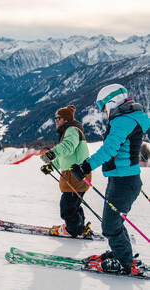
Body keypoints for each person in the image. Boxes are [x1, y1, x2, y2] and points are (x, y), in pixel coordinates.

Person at [71, 84, 150, 275]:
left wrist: (86, 166)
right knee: (113, 222)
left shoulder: (123, 121)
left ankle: (123, 263)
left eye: (103, 106)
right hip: (122, 180)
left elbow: (109, 149)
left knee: (110, 225)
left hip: (124, 182)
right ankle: (121, 253)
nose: (103, 111)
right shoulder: (128, 118)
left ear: (112, 102)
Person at [40, 105, 92, 237]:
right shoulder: (70, 130)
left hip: (75, 175)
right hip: (75, 175)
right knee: (73, 205)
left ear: (66, 119)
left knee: (67, 208)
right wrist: (52, 166)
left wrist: (53, 153)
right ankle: (78, 228)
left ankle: (73, 230)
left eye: (58, 118)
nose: (56, 120)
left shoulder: (72, 130)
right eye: (55, 118)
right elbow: (66, 157)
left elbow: (68, 147)